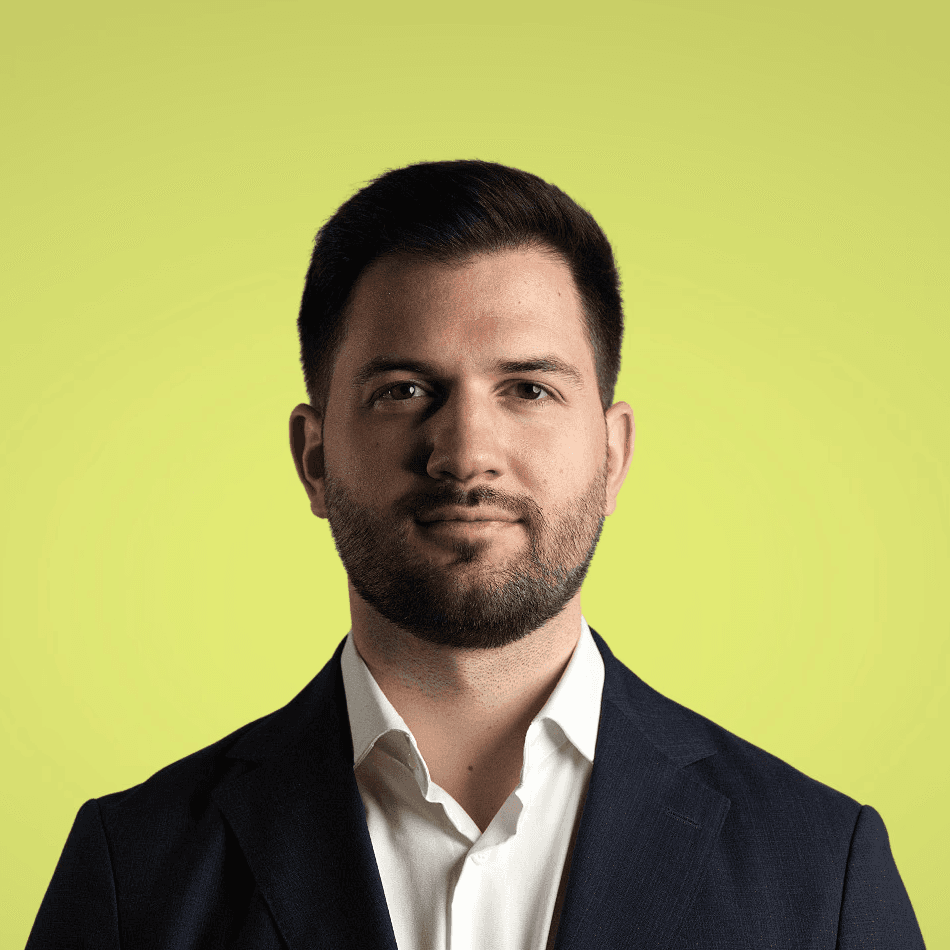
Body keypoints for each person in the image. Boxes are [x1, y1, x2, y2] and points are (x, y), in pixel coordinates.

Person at [27, 160, 925, 950]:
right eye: (405, 389)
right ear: (313, 459)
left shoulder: (821, 868)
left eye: (529, 388)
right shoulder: (131, 873)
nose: (464, 452)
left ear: (612, 455)